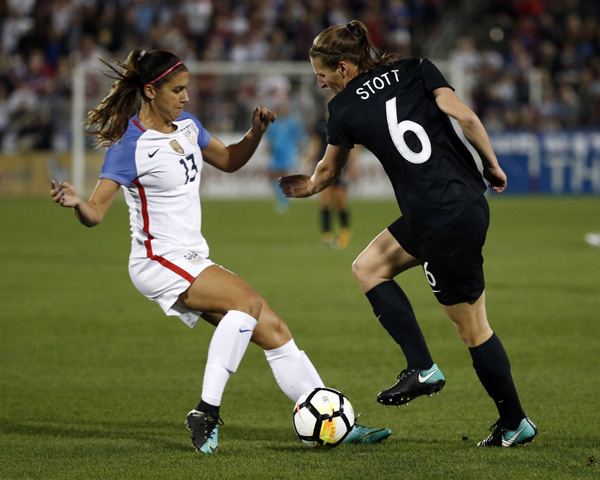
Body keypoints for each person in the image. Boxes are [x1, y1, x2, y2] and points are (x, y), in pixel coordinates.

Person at [50, 49, 390, 454]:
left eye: (187, 89)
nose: (186, 98)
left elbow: (229, 160)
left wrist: (255, 134)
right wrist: (77, 203)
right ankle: (205, 411)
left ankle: (335, 421)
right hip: (158, 260)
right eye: (177, 90)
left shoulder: (188, 127)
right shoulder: (130, 146)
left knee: (276, 332)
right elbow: (96, 212)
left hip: (191, 256)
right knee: (246, 303)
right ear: (150, 91)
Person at [279, 21, 537, 448]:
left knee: (474, 330)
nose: (320, 82)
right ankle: (420, 365)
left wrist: (307, 187)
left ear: (343, 68)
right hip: (459, 205)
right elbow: (466, 116)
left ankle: (514, 422)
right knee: (369, 266)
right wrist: (491, 165)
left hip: (439, 220)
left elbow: (328, 171)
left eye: (321, 73)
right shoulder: (417, 68)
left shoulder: (343, 110)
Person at [307, 92, 356, 248]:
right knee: (325, 201)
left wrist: (354, 165)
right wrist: (309, 162)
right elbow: (315, 146)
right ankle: (327, 235)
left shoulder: (345, 122)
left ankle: (345, 231)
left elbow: (355, 146)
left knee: (340, 201)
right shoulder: (320, 124)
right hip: (323, 166)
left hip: (340, 165)